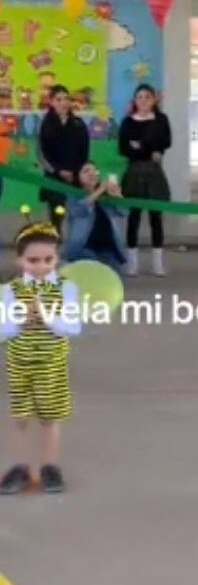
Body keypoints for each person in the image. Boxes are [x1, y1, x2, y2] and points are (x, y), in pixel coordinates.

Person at [0, 211, 83, 495]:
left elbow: (72, 327)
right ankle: (21, 467)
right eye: (32, 260)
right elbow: (3, 329)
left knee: (50, 417)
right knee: (21, 417)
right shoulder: (10, 290)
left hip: (51, 363)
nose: (41, 267)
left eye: (48, 260)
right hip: (20, 362)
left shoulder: (66, 288)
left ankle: (50, 466)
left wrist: (46, 314)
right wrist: (20, 319)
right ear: (19, 260)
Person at [118, 83, 173, 276]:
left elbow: (165, 142)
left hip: (154, 172)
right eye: (139, 97)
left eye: (147, 97)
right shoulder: (127, 122)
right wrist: (147, 149)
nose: (143, 101)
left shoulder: (161, 120)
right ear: (135, 101)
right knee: (134, 217)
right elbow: (124, 148)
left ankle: (157, 263)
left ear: (153, 100)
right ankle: (133, 263)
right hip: (133, 171)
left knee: (155, 217)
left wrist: (140, 146)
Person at [37, 84, 89, 235]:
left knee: (77, 216)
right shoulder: (45, 124)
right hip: (54, 178)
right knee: (56, 217)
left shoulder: (78, 124)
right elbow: (41, 153)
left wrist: (77, 172)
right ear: (51, 102)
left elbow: (84, 153)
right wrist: (58, 171)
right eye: (58, 99)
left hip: (75, 178)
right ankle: (55, 248)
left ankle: (75, 249)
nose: (63, 103)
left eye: (66, 99)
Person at [64, 162, 129, 272]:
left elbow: (124, 212)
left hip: (108, 248)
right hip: (84, 248)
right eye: (86, 171)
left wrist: (118, 196)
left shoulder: (104, 196)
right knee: (93, 269)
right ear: (77, 176)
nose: (92, 174)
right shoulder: (73, 195)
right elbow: (77, 211)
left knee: (113, 279)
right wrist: (99, 191)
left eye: (95, 171)